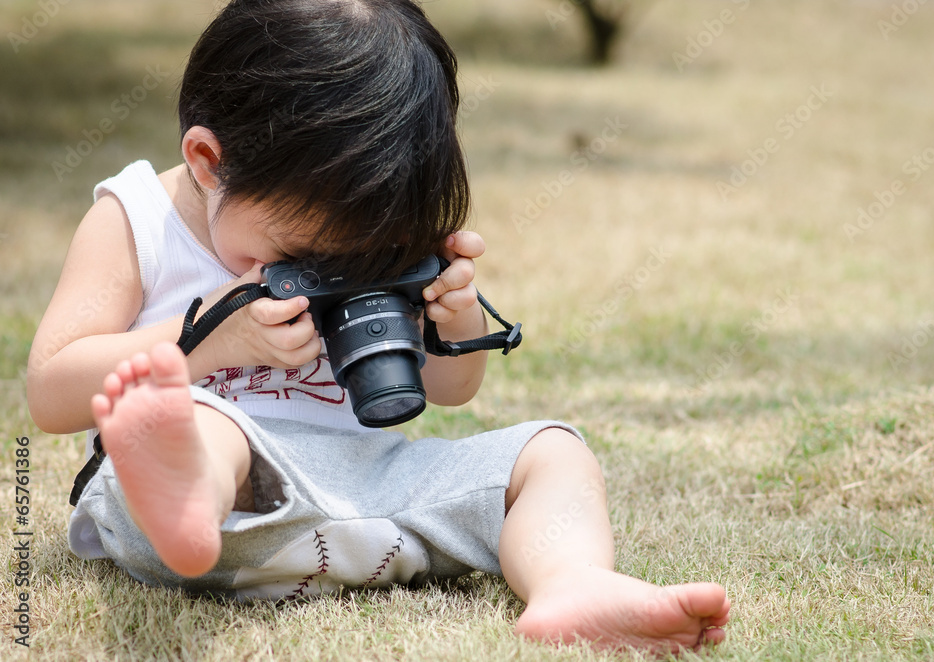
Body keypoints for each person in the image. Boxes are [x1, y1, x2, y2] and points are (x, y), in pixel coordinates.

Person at [27, 0, 729, 654]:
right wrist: (212, 343)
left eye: (366, 250)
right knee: (207, 422)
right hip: (230, 499)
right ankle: (187, 515)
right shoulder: (137, 221)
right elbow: (51, 391)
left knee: (552, 450)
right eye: (303, 254)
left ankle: (572, 583)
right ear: (210, 164)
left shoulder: (374, 223)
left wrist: (451, 315)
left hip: (367, 495)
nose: (337, 268)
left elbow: (451, 390)